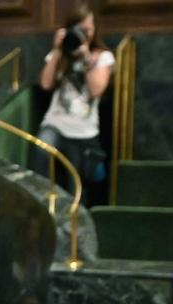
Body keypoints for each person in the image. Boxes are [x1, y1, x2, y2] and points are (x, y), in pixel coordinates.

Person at [30, 2, 113, 203]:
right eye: (79, 30)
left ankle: (73, 222)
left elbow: (96, 90)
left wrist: (85, 56)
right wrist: (57, 50)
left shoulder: (102, 57)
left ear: (94, 30)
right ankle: (40, 205)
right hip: (55, 125)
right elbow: (45, 84)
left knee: (75, 187)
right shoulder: (60, 55)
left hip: (83, 132)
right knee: (41, 151)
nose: (84, 35)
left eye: (87, 30)